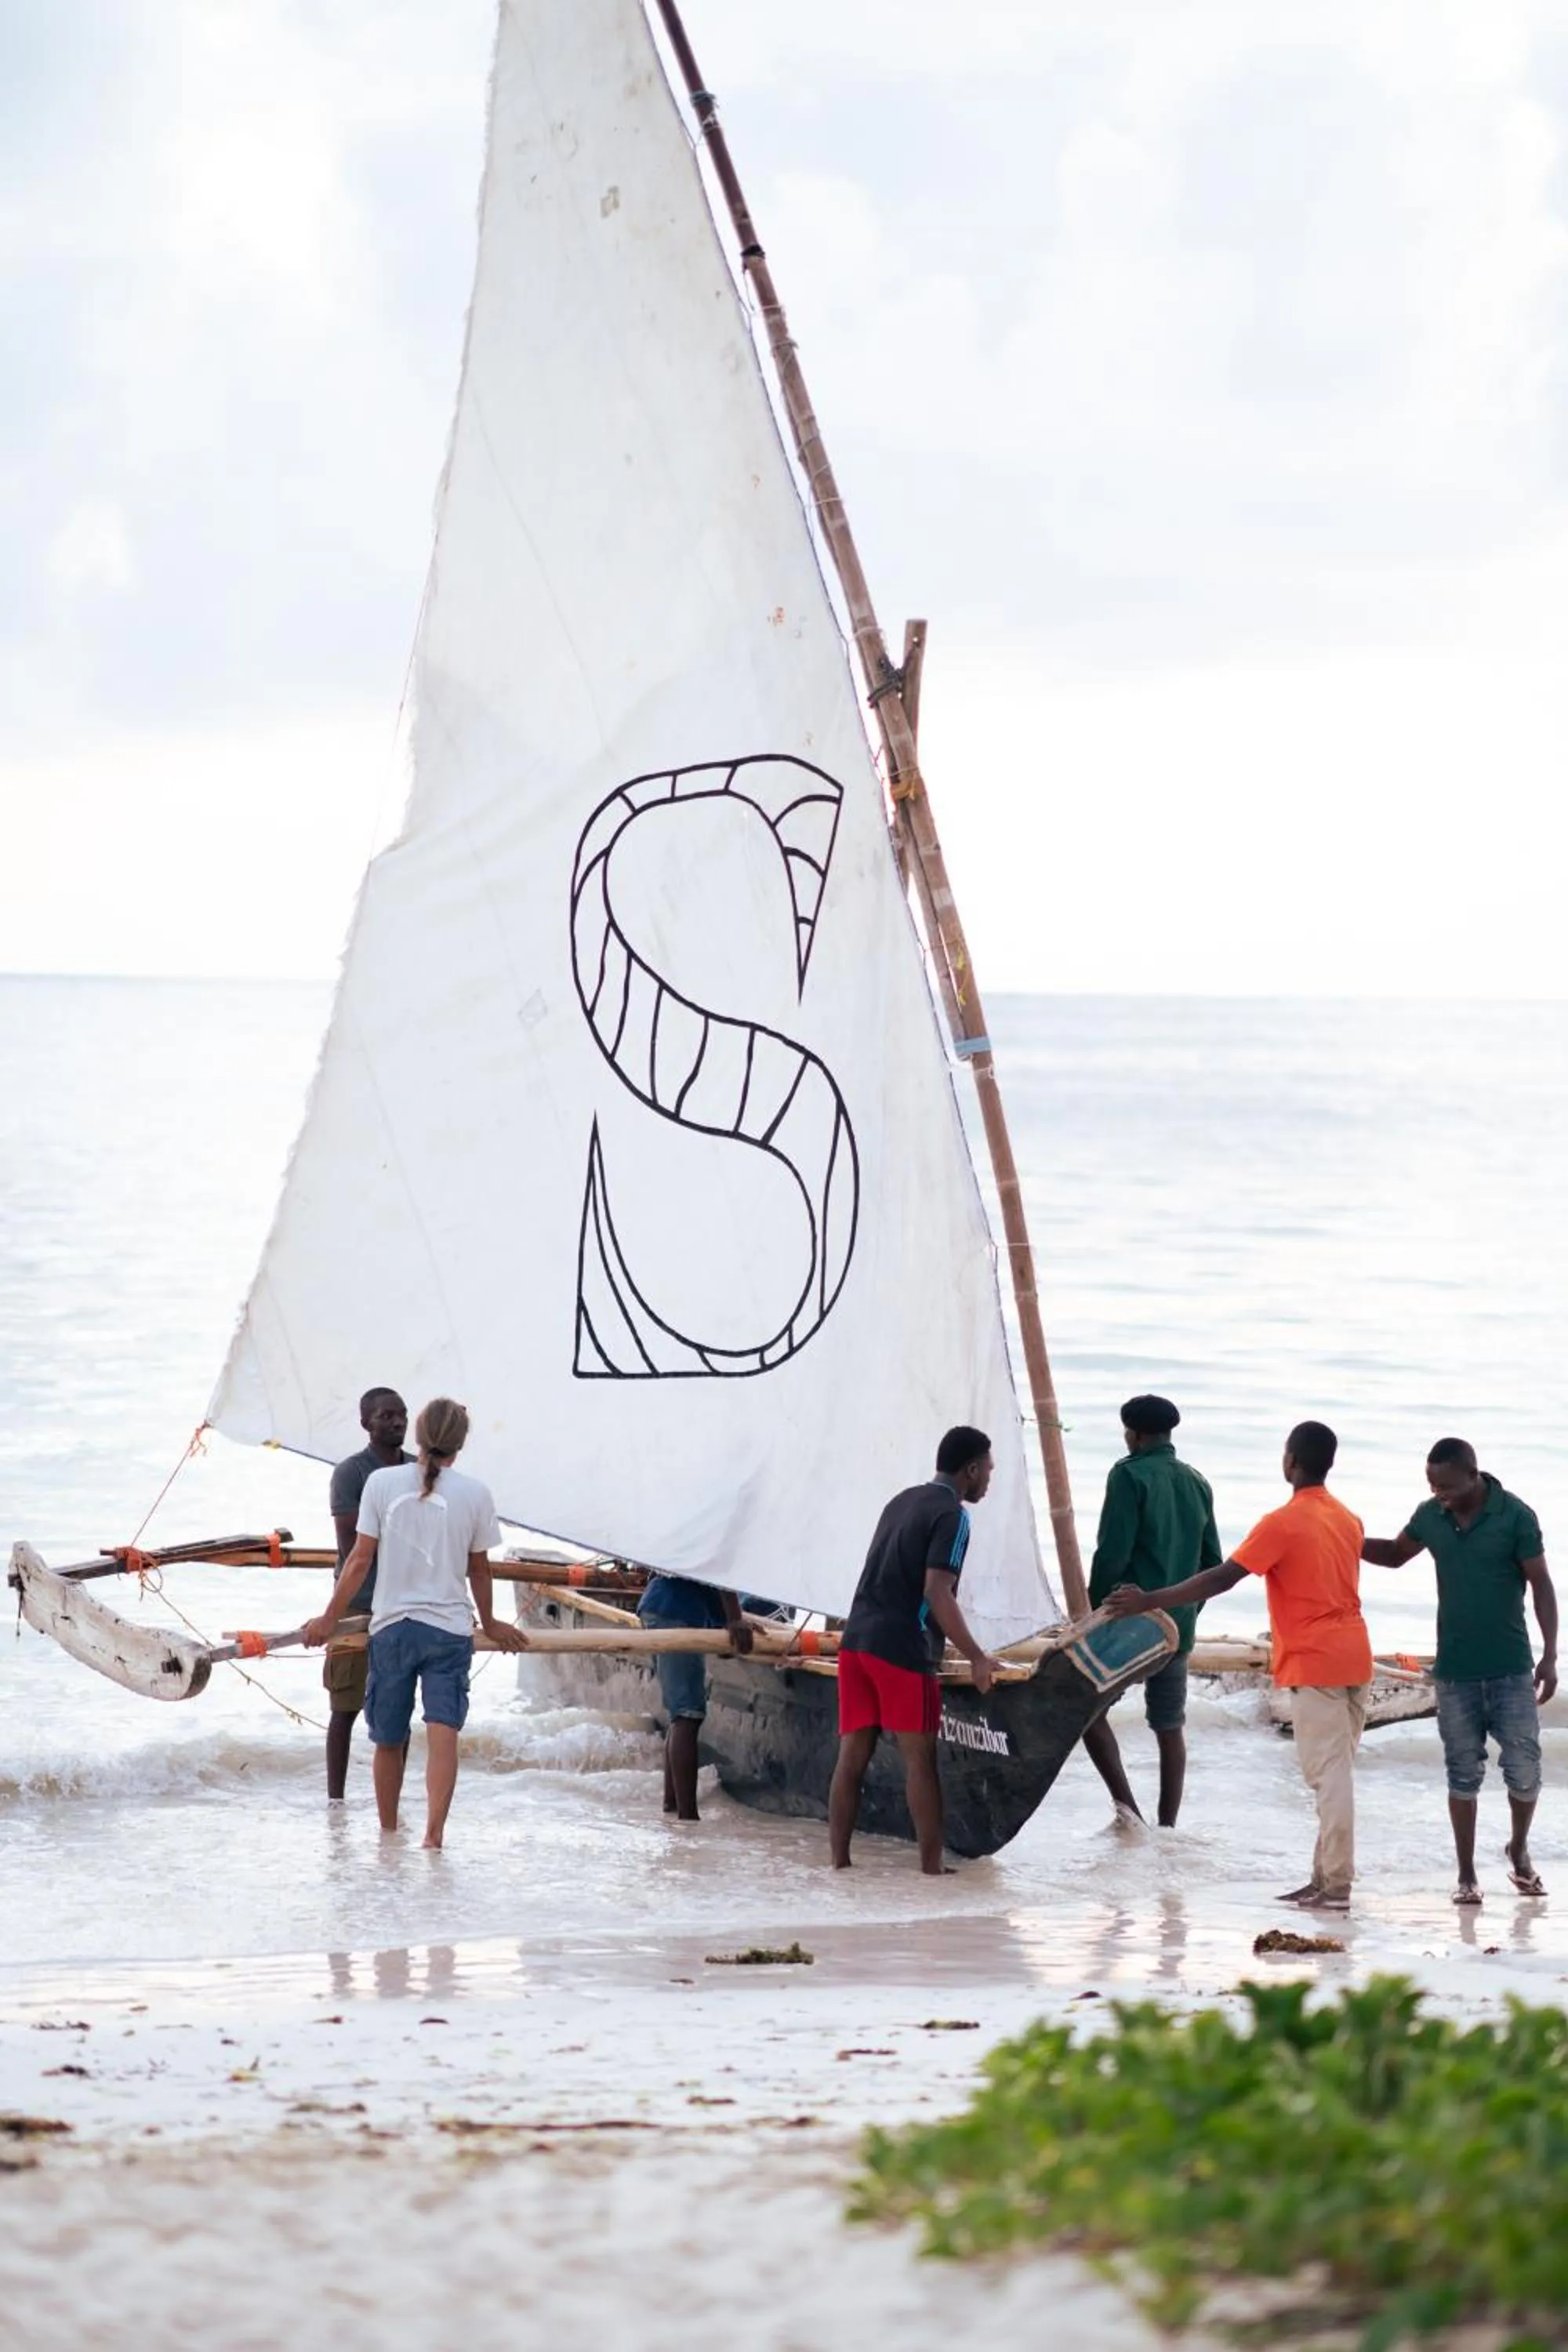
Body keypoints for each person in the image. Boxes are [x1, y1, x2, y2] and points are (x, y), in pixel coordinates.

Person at [1107, 1421, 1371, 1911]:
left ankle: (1336, 1885)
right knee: (1336, 1773)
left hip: (1317, 1662)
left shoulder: (1284, 1521)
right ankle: (1322, 1879)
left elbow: (1222, 1578)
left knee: (1329, 1778)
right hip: (1354, 1656)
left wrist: (1150, 1601)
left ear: (1290, 1461)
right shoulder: (1347, 1518)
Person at [304, 1397, 525, 1848]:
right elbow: (479, 1570)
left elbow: (358, 1561)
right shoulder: (475, 1493)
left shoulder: (381, 1484)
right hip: (449, 1631)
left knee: (389, 1737)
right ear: (459, 1446)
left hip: (393, 1628)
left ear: (418, 1438)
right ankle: (433, 1836)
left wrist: (329, 1618)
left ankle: (388, 1834)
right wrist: (492, 1621)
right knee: (444, 1732)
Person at [1362, 1438, 1557, 1905]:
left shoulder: (1515, 1516)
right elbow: (1393, 1554)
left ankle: (1519, 1850)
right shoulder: (1432, 1516)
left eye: (1446, 1485)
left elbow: (1542, 1585)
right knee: (1462, 1773)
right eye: (1431, 1484)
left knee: (1524, 1770)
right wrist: (1343, 1537)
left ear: (1474, 1474)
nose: (1438, 1492)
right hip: (1455, 1672)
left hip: (1511, 1668)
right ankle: (1467, 1874)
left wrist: (1550, 1654)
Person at [829, 1426, 1001, 1875]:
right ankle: (931, 1870)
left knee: (851, 1758)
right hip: (902, 1650)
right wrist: (978, 1656)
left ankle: (840, 1864)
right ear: (970, 1470)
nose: (989, 1479)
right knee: (920, 1760)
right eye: (988, 1469)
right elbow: (937, 1593)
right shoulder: (954, 1515)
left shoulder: (901, 1500)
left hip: (856, 1643)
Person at [1081, 1394, 1221, 1828]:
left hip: (1130, 1626)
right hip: (1178, 1628)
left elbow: (1112, 1553)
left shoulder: (1129, 1476)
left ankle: (1129, 1811)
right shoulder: (1198, 1482)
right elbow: (1212, 1564)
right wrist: (1188, 1612)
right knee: (1169, 1727)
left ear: (1135, 1435)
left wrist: (1096, 1613)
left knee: (1086, 1712)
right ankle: (1167, 1826)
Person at [322, 1387, 410, 1802]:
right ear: (365, 1424)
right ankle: (335, 1802)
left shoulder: (418, 1469)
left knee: (398, 1707)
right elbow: (352, 1546)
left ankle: (392, 1799)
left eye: (402, 1415)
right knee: (345, 1706)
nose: (397, 1423)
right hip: (358, 1599)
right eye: (386, 1416)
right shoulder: (351, 1473)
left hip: (404, 1602)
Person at [637, 1573, 754, 1820]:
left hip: (662, 1606)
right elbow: (722, 1570)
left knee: (681, 1716)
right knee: (688, 1715)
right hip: (676, 1610)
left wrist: (730, 1622)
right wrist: (735, 1620)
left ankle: (672, 1807)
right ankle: (688, 1818)